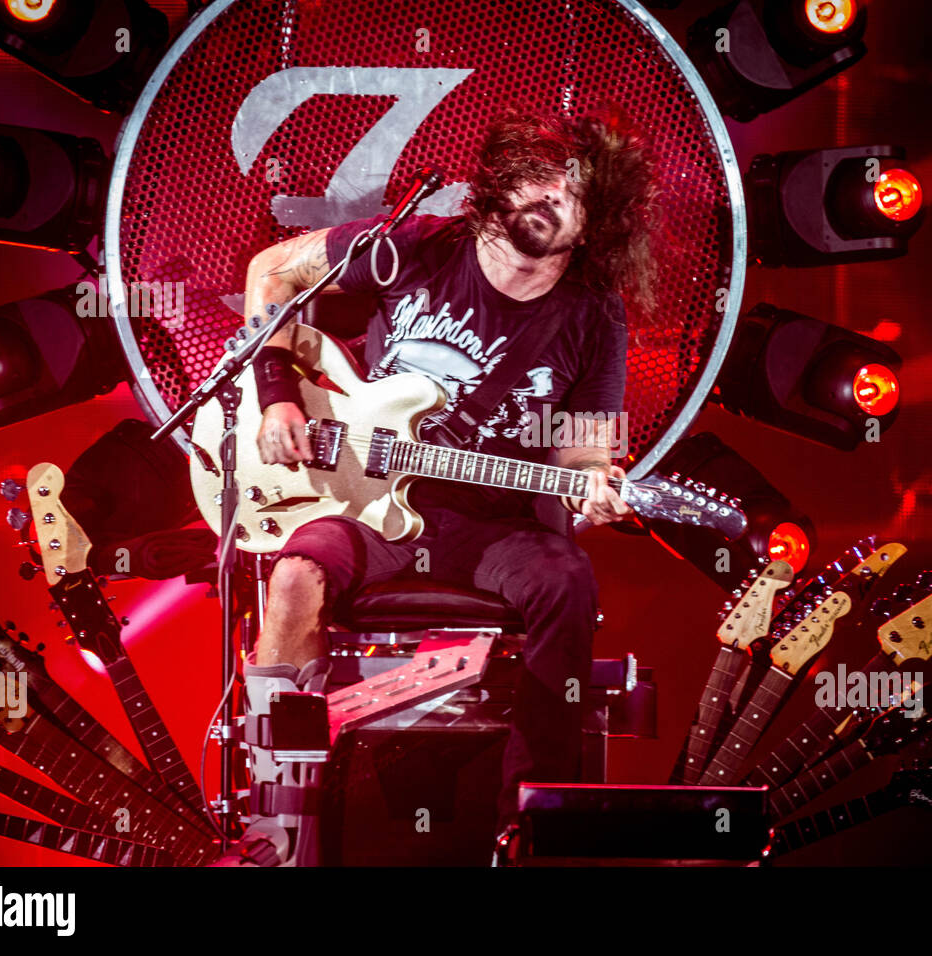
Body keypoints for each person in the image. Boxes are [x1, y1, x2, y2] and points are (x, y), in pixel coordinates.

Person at [217, 105, 661, 866]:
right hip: (367, 504)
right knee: (292, 579)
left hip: (497, 529)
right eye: (538, 179)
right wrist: (276, 391)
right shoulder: (417, 248)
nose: (551, 196)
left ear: (596, 223)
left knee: (565, 582)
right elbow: (272, 270)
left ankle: (530, 826)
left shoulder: (593, 313)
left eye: (574, 191)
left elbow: (585, 454)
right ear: (499, 188)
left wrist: (595, 486)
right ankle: (275, 820)